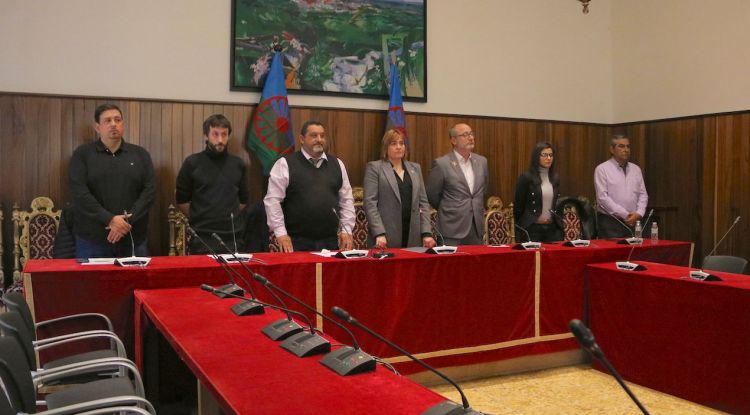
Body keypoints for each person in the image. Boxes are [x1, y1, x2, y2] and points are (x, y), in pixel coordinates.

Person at [69, 103, 155, 258]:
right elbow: (79, 192)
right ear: (97, 127)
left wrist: (124, 223)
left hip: (133, 237)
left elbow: (149, 191)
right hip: (92, 241)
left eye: (118, 120)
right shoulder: (82, 154)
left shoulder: (140, 154)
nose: (114, 124)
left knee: (135, 282)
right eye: (107, 121)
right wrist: (109, 219)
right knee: (92, 283)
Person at [263, 120, 355, 252]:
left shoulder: (337, 164)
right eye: (314, 135)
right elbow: (272, 200)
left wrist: (347, 229)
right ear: (301, 139)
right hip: (297, 242)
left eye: (322, 136)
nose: (319, 140)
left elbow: (346, 201)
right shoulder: (285, 164)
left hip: (331, 242)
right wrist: (281, 233)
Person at [176, 114, 249, 254]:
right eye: (215, 134)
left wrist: (225, 215)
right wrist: (201, 216)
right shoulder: (192, 163)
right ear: (206, 136)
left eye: (224, 134)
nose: (220, 140)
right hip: (202, 237)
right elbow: (182, 201)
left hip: (233, 237)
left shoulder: (238, 164)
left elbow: (243, 201)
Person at [363, 129, 436, 249]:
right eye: (393, 143)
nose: (399, 147)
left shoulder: (415, 168)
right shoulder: (375, 168)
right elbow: (370, 203)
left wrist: (426, 233)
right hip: (385, 236)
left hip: (413, 235)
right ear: (386, 147)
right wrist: (379, 232)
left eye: (401, 143)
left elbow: (423, 203)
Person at [426, 123, 489, 245]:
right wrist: (450, 208)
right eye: (465, 135)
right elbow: (432, 195)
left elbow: (483, 190)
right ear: (453, 140)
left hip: (476, 228)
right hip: (451, 229)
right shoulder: (442, 164)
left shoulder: (482, 162)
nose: (471, 138)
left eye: (471, 134)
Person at [594, 135, 649, 238]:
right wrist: (625, 215)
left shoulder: (636, 169)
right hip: (610, 223)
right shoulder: (602, 169)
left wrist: (639, 213)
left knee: (634, 253)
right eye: (621, 146)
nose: (626, 150)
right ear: (612, 149)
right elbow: (602, 198)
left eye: (628, 147)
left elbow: (643, 194)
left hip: (634, 221)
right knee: (613, 254)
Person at [513, 142, 563, 242]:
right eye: (544, 155)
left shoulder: (555, 179)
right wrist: (521, 226)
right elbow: (518, 207)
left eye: (551, 155)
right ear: (537, 157)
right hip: (532, 229)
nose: (548, 158)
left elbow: (557, 204)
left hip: (552, 229)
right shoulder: (526, 178)